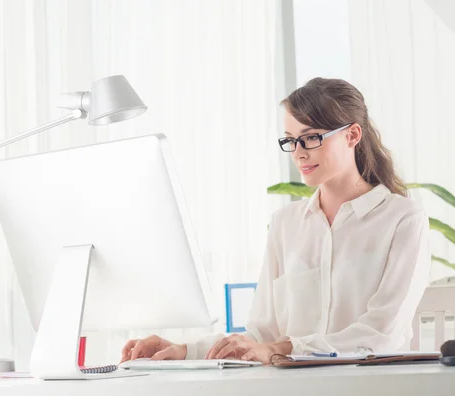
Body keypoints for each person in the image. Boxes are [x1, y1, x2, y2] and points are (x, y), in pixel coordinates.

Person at [119, 77, 431, 365]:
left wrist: (284, 348)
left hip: (374, 389)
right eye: (290, 140)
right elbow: (260, 336)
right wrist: (183, 349)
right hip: (292, 391)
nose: (299, 153)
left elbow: (382, 334)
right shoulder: (286, 224)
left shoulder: (402, 218)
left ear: (352, 135)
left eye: (310, 138)